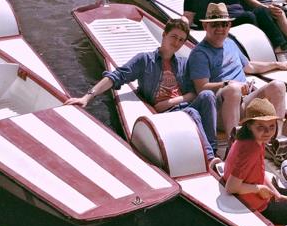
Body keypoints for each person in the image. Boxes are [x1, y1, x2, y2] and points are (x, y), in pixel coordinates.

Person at [66, 19, 219, 165]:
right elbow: (115, 77)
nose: (177, 42)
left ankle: (212, 150)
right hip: (167, 115)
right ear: (164, 34)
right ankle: (211, 159)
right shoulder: (145, 60)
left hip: (180, 106)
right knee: (192, 112)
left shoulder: (183, 64)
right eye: (174, 36)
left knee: (207, 95)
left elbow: (194, 93)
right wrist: (87, 97)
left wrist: (171, 101)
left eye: (181, 40)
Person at [187, 3, 287, 143]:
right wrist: (227, 84)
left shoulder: (230, 43)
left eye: (224, 24)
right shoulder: (199, 54)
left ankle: (275, 140)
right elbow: (202, 88)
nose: (220, 29)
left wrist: (278, 64)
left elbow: (249, 67)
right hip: (219, 111)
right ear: (205, 26)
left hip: (244, 102)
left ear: (229, 26)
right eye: (215, 25)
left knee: (278, 86)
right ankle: (234, 143)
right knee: (233, 90)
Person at [224, 98, 287, 224]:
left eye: (271, 126)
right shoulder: (250, 149)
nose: (267, 132)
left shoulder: (252, 140)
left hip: (254, 194)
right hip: (257, 207)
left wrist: (276, 194)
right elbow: (231, 187)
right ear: (249, 125)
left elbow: (260, 172)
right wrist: (259, 189)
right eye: (261, 127)